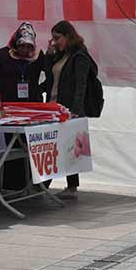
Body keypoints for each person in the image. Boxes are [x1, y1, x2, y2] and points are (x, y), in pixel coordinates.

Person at [0, 23, 45, 190]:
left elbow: (52, 75)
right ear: (15, 43)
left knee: (26, 143)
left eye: (29, 46)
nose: (25, 50)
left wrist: (40, 89)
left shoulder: (38, 57)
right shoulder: (2, 55)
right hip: (4, 107)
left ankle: (25, 185)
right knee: (2, 143)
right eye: (22, 46)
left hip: (29, 108)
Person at [44, 20, 98, 200]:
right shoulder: (61, 55)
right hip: (54, 106)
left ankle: (66, 186)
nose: (54, 42)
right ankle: (46, 184)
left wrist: (75, 109)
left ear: (68, 36)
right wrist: (49, 56)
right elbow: (51, 78)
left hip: (68, 109)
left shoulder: (79, 56)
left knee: (66, 146)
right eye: (52, 38)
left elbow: (81, 85)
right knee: (54, 146)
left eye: (57, 38)